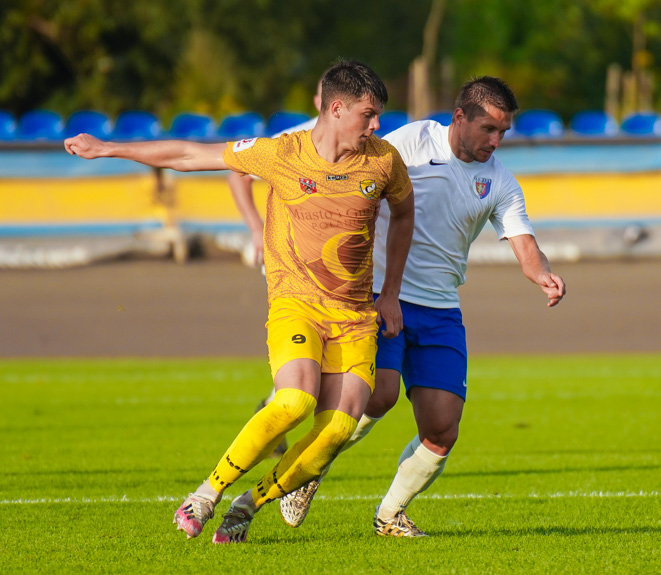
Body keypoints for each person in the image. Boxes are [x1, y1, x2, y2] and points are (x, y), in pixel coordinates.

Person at [64, 60, 415, 544]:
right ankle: (206, 494)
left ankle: (249, 505)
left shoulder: (383, 160)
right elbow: (190, 153)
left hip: (354, 315)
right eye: (369, 114)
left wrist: (391, 292)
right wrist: (109, 148)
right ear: (337, 108)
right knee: (294, 399)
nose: (376, 125)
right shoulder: (280, 153)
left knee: (338, 428)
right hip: (297, 303)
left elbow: (404, 214)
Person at [272, 76, 566, 537]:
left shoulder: (501, 181)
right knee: (380, 394)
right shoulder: (412, 141)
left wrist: (542, 273)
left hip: (441, 309)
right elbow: (355, 173)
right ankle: (306, 470)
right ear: (459, 117)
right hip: (382, 294)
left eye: (503, 132)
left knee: (442, 427)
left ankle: (389, 516)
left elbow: (524, 242)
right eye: (488, 128)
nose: (495, 140)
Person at [232, 78, 322, 458]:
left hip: (334, 268)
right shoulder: (291, 140)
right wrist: (256, 228)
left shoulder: (363, 147)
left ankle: (273, 406)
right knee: (309, 352)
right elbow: (237, 171)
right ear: (323, 101)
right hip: (288, 261)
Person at [229, 78, 322, 268]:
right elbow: (238, 176)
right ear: (317, 102)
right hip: (288, 265)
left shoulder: (366, 143)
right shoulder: (289, 141)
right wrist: (256, 229)